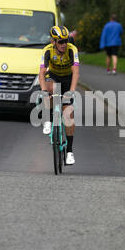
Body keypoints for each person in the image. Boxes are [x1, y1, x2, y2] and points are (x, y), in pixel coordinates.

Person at [39, 26, 80, 165]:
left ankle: (69, 151)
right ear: (53, 42)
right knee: (50, 90)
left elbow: (75, 72)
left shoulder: (71, 49)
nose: (64, 44)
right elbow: (42, 73)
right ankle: (48, 120)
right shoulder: (47, 51)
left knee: (68, 113)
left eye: (65, 41)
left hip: (68, 78)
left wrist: (72, 91)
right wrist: (44, 91)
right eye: (60, 42)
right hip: (54, 76)